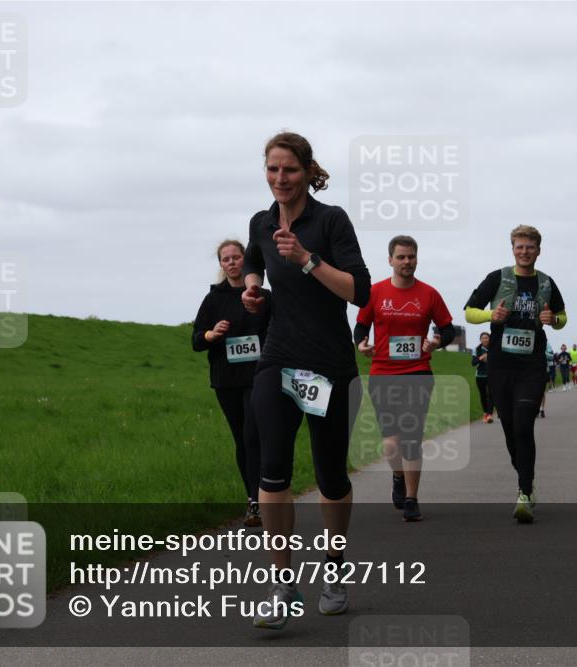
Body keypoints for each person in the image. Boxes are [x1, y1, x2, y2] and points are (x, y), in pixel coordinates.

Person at [241, 132, 371, 629]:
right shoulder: (261, 221)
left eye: (289, 170)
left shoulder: (331, 220)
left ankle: (334, 571)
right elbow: (255, 255)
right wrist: (254, 288)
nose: (280, 179)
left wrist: (307, 260)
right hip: (278, 358)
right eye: (272, 169)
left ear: (306, 170)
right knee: (271, 472)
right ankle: (282, 587)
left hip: (329, 365)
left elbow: (359, 291)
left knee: (330, 478)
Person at [464, 225, 567, 523]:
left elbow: (562, 316)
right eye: (520, 247)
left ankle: (524, 493)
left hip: (532, 365)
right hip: (500, 365)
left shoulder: (547, 283)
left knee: (524, 424)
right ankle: (527, 479)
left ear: (538, 250)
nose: (525, 252)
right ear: (512, 249)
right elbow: (469, 311)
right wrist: (489, 315)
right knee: (509, 426)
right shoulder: (497, 278)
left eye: (530, 247)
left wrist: (553, 319)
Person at [355, 235, 455, 522]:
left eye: (411, 257)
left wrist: (437, 341)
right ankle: (398, 476)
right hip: (382, 373)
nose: (406, 262)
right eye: (401, 257)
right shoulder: (375, 293)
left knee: (411, 438)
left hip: (418, 373)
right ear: (390, 260)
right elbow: (360, 327)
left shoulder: (429, 294)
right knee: (391, 443)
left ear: (417, 259)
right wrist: (362, 344)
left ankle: (411, 499)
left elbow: (447, 328)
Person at [192, 240, 271, 527]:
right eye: (226, 259)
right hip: (226, 380)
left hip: (259, 377)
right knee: (242, 438)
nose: (232, 263)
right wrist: (212, 335)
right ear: (221, 265)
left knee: (253, 434)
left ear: (245, 261)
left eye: (237, 257)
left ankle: (259, 500)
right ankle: (254, 498)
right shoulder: (214, 299)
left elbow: (277, 331)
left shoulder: (263, 297)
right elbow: (196, 339)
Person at [472, 332, 493, 424]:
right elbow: (473, 363)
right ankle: (485, 413)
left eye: (486, 338)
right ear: (480, 340)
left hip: (491, 375)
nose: (485, 339)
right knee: (483, 395)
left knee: (491, 394)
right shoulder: (477, 349)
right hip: (480, 375)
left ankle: (489, 415)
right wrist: (481, 358)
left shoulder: (493, 348)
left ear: (489, 339)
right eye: (483, 338)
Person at [539, 341, 555, 418]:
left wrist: (541, 353)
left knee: (541, 391)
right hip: (530, 372)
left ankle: (541, 409)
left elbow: (551, 356)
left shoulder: (546, 343)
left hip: (543, 370)